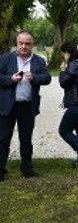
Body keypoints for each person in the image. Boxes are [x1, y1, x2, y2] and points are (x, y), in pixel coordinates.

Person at [0, 31, 51, 181]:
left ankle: (27, 169)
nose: (24, 46)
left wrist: (34, 77)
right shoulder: (5, 59)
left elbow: (47, 78)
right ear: (16, 43)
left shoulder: (38, 61)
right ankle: (1, 170)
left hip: (28, 106)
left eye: (27, 44)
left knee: (26, 139)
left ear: (32, 45)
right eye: (21, 43)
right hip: (7, 105)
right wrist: (10, 79)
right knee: (3, 139)